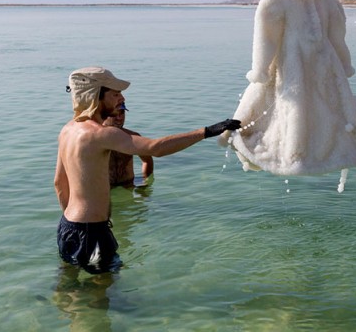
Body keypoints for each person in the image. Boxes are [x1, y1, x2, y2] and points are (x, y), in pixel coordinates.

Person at [55, 66, 240, 274]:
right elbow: (155, 148)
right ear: (95, 96)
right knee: (104, 286)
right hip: (92, 231)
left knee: (67, 280)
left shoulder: (67, 130)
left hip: (67, 226)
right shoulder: (100, 134)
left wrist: (74, 224)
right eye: (115, 94)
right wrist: (208, 131)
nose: (121, 98)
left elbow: (59, 183)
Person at [103, 103, 154, 187]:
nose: (119, 118)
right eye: (115, 114)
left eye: (122, 113)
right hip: (105, 189)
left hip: (129, 186)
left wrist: (145, 184)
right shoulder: (94, 139)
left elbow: (147, 160)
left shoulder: (132, 137)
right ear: (104, 115)